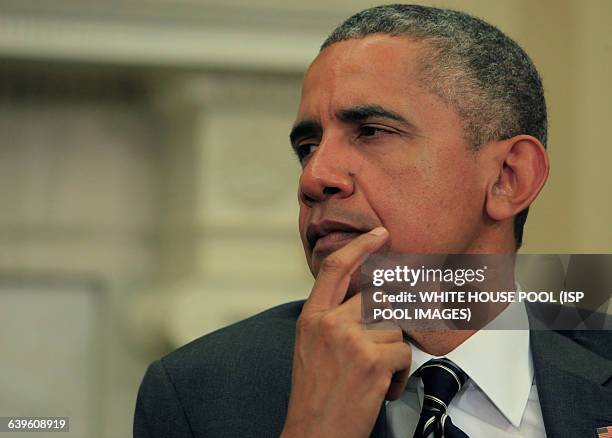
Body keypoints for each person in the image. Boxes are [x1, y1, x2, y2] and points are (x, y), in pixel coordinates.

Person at [133, 4, 612, 438]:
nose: (314, 177)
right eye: (307, 148)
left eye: (372, 132)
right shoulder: (201, 393)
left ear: (509, 177)